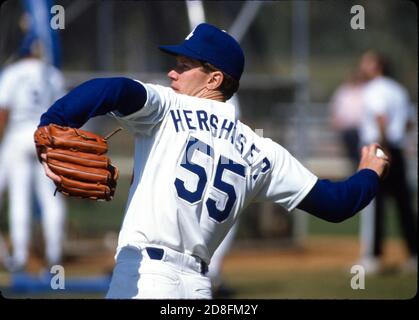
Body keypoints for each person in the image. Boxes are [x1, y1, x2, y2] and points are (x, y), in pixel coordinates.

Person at [37, 23, 389, 299]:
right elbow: (337, 204)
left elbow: (110, 89)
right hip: (199, 287)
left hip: (146, 277)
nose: (173, 74)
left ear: (214, 78)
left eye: (184, 66)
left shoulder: (169, 107)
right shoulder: (263, 151)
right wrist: (369, 173)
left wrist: (52, 123)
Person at [0, 33, 66, 273]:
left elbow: (3, 112)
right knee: (51, 197)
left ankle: (19, 255)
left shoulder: (13, 72)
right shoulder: (52, 74)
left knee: (20, 197)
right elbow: (63, 114)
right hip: (44, 136)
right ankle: (54, 254)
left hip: (18, 135)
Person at [357, 50, 417, 273]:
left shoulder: (375, 89)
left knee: (374, 203)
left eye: (367, 62)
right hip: (398, 149)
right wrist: (397, 142)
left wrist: (384, 148)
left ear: (377, 67)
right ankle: (414, 254)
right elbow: (409, 122)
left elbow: (381, 118)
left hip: (380, 150)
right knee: (404, 205)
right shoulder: (398, 89)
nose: (363, 66)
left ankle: (373, 257)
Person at [329, 70, 365, 169]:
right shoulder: (343, 92)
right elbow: (336, 108)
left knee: (362, 153)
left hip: (362, 129)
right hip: (347, 129)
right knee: (352, 155)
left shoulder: (365, 90)